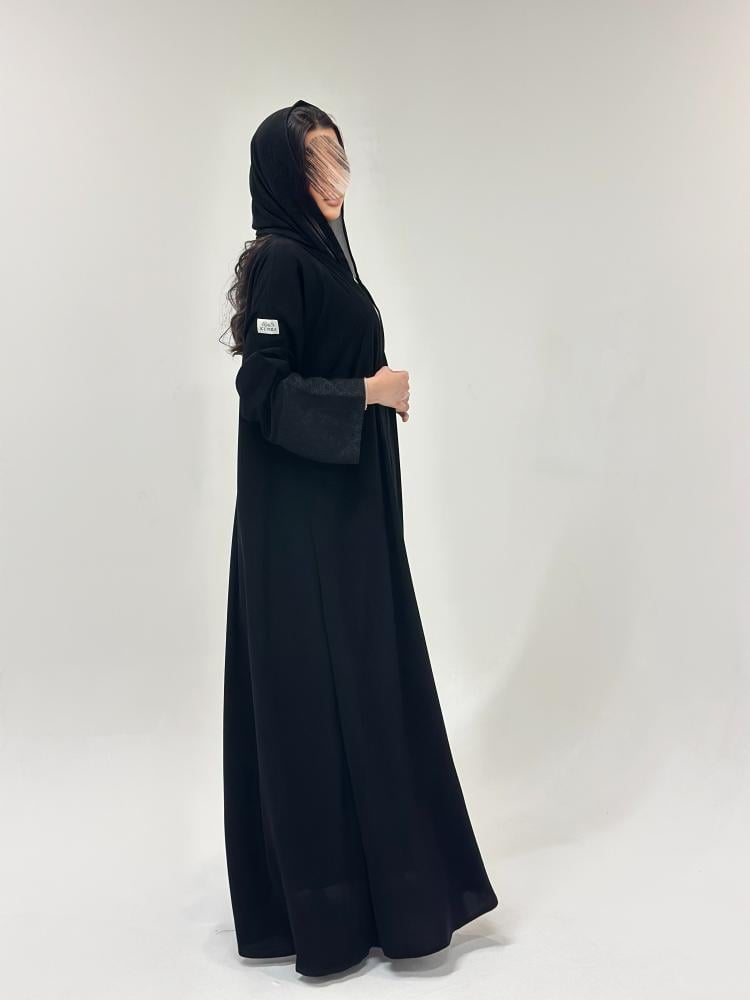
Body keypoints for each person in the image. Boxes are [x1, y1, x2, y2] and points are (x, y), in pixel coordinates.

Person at [222, 98, 498, 978]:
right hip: (304, 532)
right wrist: (368, 395)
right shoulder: (281, 259)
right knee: (322, 697)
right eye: (313, 163)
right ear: (284, 176)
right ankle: (328, 911)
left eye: (336, 157)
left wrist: (371, 396)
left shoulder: (326, 257)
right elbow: (263, 393)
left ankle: (386, 895)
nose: (331, 178)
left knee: (369, 690)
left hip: (343, 518)